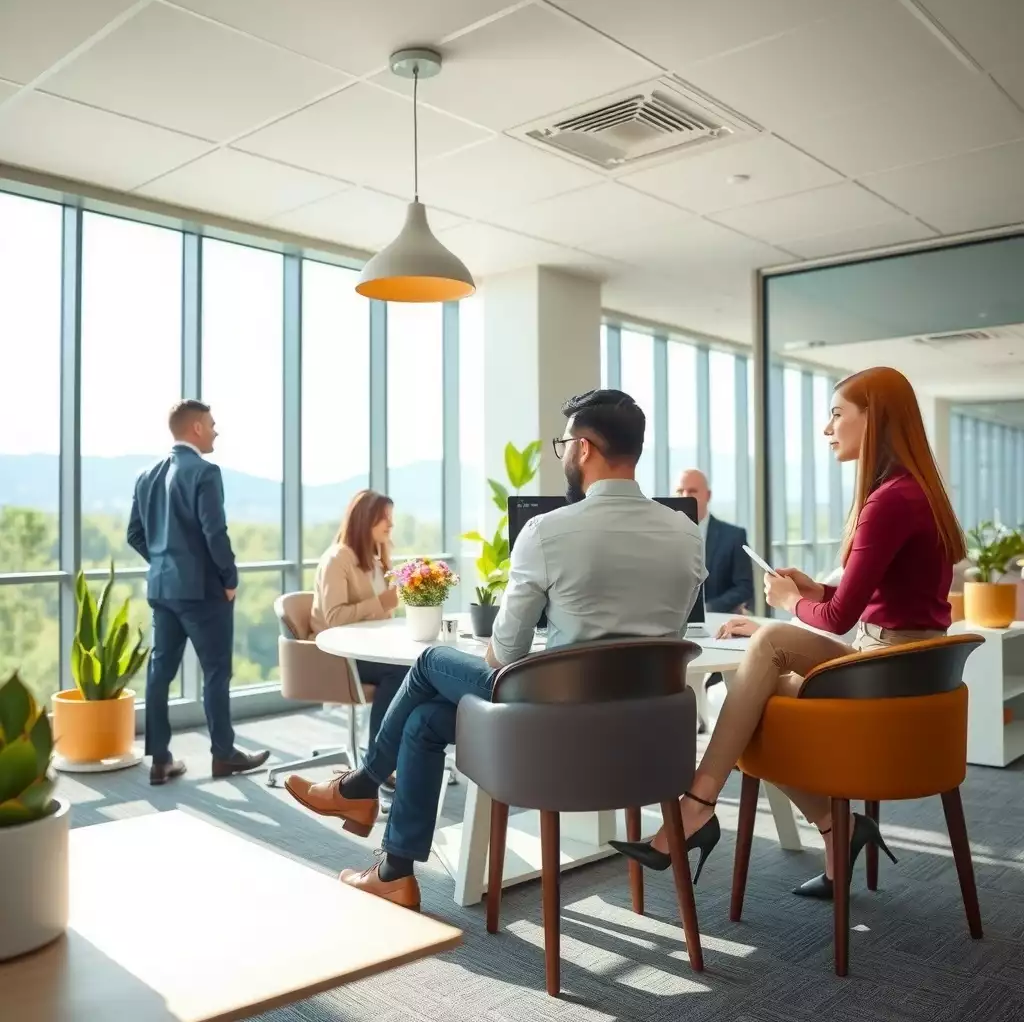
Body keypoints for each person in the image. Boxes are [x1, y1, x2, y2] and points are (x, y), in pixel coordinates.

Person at [284, 389, 706, 910]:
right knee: (424, 724)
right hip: (648, 741)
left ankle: (361, 786)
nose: (563, 457)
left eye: (563, 446)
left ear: (585, 448)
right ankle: (393, 869)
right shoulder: (687, 534)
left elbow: (505, 655)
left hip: (554, 736)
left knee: (433, 661)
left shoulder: (547, 531)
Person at [612, 366, 966, 898]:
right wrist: (813, 592)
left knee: (767, 651)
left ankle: (698, 807)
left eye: (837, 413)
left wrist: (787, 603)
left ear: (875, 419)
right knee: (754, 696)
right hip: (905, 665)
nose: (827, 429)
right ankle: (832, 829)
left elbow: (843, 621)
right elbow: (877, 599)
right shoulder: (914, 492)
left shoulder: (888, 500)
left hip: (885, 670)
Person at [127, 400, 270, 786]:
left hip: (162, 589)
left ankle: (160, 760)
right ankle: (223, 755)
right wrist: (229, 578)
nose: (216, 430)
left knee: (160, 675)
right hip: (203, 593)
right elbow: (214, 532)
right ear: (195, 429)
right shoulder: (206, 473)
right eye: (211, 424)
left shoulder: (147, 476)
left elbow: (134, 534)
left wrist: (163, 562)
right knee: (216, 672)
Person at [309, 489, 406, 766]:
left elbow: (379, 617)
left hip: (369, 650)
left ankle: (399, 754)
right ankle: (379, 762)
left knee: (422, 665)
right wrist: (381, 601)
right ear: (365, 520)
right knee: (400, 671)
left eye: (391, 517)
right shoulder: (337, 559)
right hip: (338, 657)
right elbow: (335, 618)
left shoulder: (377, 560)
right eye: (384, 518)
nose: (391, 524)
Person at [675, 468, 753, 614]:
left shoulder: (734, 537)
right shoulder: (664, 536)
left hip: (718, 622)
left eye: (692, 491)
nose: (685, 497)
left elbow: (745, 587)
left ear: (708, 496)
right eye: (680, 491)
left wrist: (708, 609)